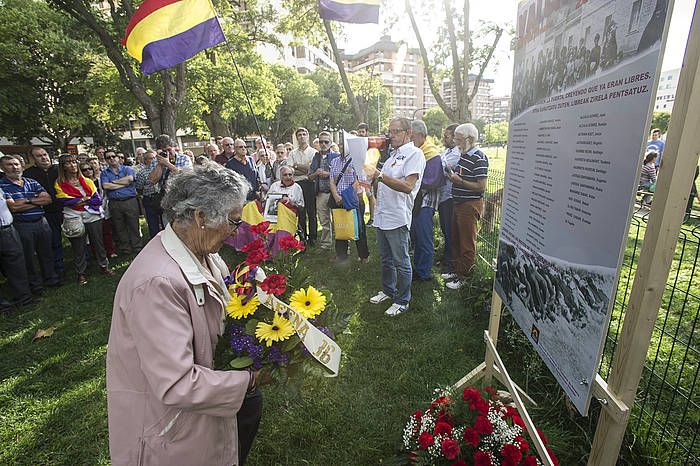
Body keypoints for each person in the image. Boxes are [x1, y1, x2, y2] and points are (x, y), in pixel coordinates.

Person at [106, 164, 262, 466]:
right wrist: (252, 379)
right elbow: (177, 383)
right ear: (201, 217)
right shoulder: (158, 283)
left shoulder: (206, 255)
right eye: (233, 222)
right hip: (168, 428)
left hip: (201, 411)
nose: (235, 233)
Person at [365, 117, 425, 316]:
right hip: (383, 215)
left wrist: (380, 175)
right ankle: (388, 290)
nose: (391, 135)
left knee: (401, 260)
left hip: (397, 215)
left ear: (408, 133)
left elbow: (408, 187)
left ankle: (403, 300)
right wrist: (373, 177)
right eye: (390, 131)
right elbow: (382, 183)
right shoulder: (393, 155)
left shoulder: (414, 154)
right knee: (385, 259)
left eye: (396, 131)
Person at [0, 155, 61, 292]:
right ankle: (36, 285)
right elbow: (13, 207)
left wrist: (26, 201)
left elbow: (47, 199)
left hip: (41, 222)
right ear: (3, 168)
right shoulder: (2, 185)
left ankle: (51, 279)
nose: (14, 167)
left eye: (16, 164)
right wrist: (35, 200)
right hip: (22, 225)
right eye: (10, 164)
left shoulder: (31, 182)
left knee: (46, 252)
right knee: (28, 257)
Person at [55, 154, 113, 285]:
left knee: (98, 242)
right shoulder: (60, 184)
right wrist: (83, 200)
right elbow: (64, 201)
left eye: (74, 162)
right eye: (68, 163)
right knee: (78, 246)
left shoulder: (87, 181)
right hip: (74, 217)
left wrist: (77, 201)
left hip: (92, 215)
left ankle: (104, 266)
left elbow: (96, 200)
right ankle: (81, 272)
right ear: (63, 167)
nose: (73, 165)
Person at [444, 123, 488, 290]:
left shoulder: (479, 157)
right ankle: (457, 271)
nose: (456, 142)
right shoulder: (464, 154)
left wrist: (459, 181)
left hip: (470, 205)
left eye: (459, 139)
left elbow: (481, 186)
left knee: (467, 243)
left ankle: (465, 278)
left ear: (469, 139)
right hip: (459, 203)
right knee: (456, 239)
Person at [408, 120, 440, 282]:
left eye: (411, 136)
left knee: (424, 237)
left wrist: (411, 181)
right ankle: (419, 268)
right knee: (417, 236)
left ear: (421, 135)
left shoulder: (431, 153)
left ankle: (424, 272)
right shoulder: (419, 150)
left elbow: (433, 179)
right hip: (417, 201)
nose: (409, 139)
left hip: (426, 202)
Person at [24, 146, 65, 275]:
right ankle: (59, 269)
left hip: (66, 208)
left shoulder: (59, 170)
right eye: (39, 156)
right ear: (33, 159)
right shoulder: (29, 174)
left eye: (45, 154)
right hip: (46, 212)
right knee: (54, 241)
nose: (43, 158)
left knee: (77, 235)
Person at [329, 142, 369, 264]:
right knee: (340, 226)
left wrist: (344, 196)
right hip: (337, 200)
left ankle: (364, 255)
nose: (341, 147)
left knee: (358, 227)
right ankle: (341, 255)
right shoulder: (334, 161)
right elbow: (331, 180)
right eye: (340, 144)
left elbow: (359, 181)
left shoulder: (356, 161)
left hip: (352, 199)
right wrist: (336, 195)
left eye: (344, 145)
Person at [0, 186, 35, 312]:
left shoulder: (0, 188)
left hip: (7, 229)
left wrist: (27, 201)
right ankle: (3, 306)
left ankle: (24, 299)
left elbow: (12, 205)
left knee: (17, 265)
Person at [101, 150, 142, 255]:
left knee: (133, 225)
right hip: (114, 203)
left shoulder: (127, 169)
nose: (111, 159)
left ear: (118, 158)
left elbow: (130, 178)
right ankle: (126, 249)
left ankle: (137, 247)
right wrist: (124, 183)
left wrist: (113, 182)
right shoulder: (104, 173)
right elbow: (106, 186)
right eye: (108, 157)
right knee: (119, 227)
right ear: (106, 160)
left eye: (113, 156)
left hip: (130, 201)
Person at [309, 131, 339, 251]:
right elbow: (309, 176)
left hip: (334, 193)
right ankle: (326, 244)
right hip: (320, 193)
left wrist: (328, 174)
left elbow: (342, 175)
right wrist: (316, 173)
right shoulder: (316, 157)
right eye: (321, 141)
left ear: (330, 143)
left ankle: (341, 245)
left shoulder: (337, 156)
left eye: (326, 142)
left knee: (337, 220)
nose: (323, 144)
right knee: (324, 220)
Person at [438, 124, 460, 277]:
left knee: (450, 231)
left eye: (447, 136)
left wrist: (440, 165)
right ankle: (447, 259)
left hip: (451, 197)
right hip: (443, 196)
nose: (444, 139)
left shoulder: (457, 153)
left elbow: (441, 167)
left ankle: (451, 264)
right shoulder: (447, 151)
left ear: (454, 137)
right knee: (445, 230)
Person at [288, 128, 318, 245]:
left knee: (311, 212)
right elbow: (290, 171)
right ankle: (303, 237)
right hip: (297, 185)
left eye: (304, 134)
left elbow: (311, 170)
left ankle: (313, 237)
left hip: (310, 184)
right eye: (299, 135)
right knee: (300, 211)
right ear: (296, 137)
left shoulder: (314, 152)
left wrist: (296, 166)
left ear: (308, 136)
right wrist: (303, 168)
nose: (301, 136)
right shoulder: (292, 153)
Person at [135, 149, 164, 238]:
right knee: (153, 224)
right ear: (146, 160)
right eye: (151, 158)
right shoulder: (142, 173)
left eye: (155, 158)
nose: (153, 160)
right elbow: (139, 188)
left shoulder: (162, 168)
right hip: (150, 199)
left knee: (164, 222)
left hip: (161, 197)